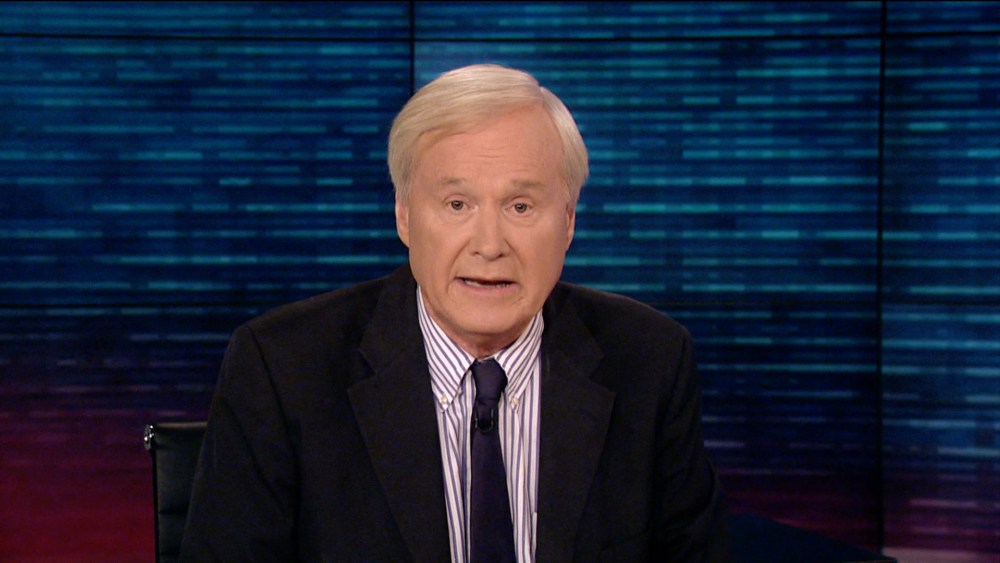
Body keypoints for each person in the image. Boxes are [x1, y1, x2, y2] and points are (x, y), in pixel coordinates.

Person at [181, 63, 730, 562]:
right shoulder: (283, 369)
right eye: (457, 204)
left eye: (520, 206)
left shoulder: (650, 361)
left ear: (568, 221)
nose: (489, 245)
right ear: (404, 215)